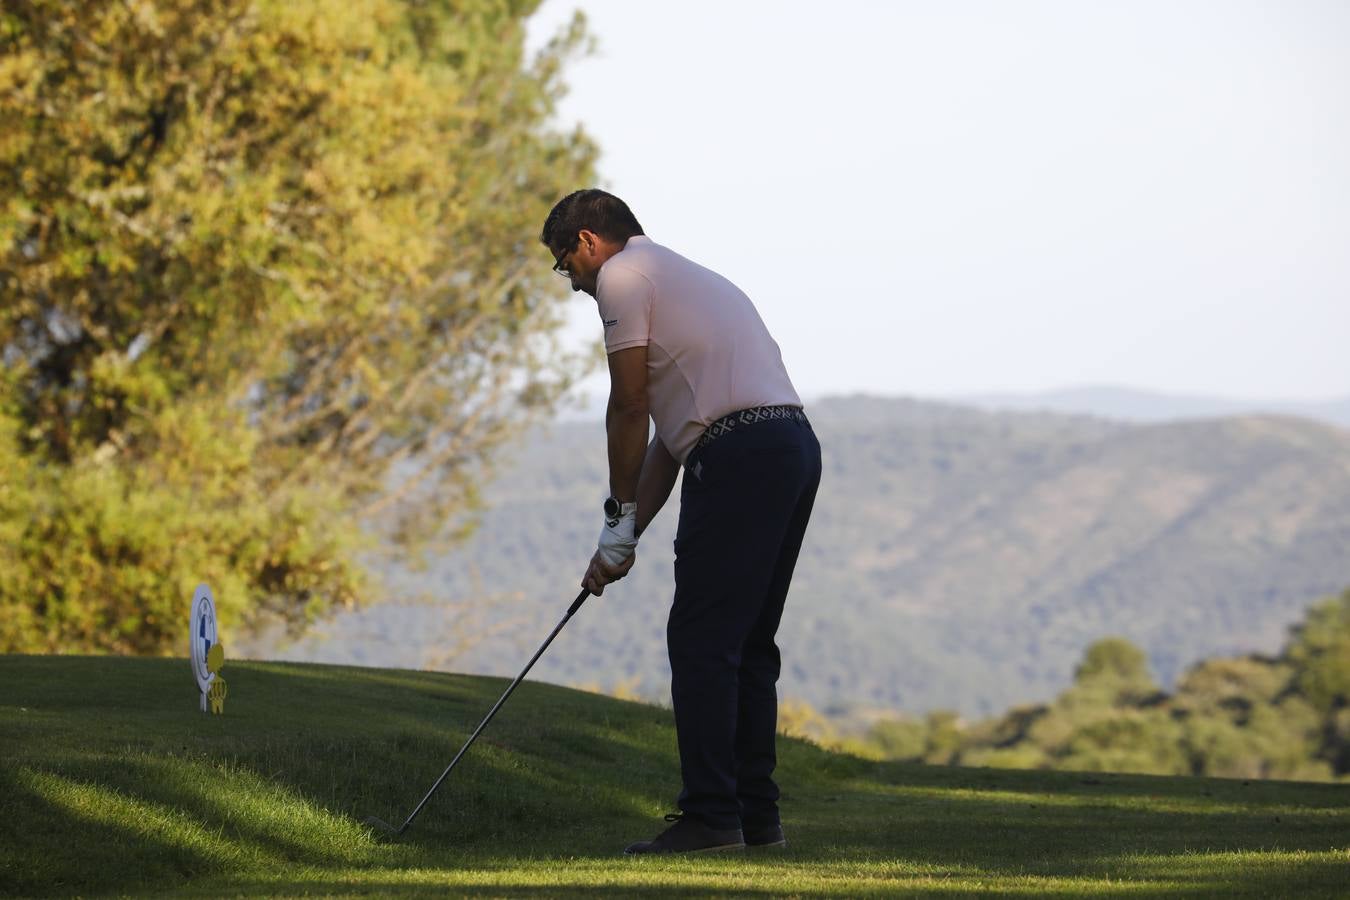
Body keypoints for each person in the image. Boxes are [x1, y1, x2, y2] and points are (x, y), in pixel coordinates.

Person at [540, 189, 822, 855]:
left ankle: (711, 817)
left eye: (564, 266)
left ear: (586, 241)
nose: (573, 284)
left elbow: (630, 406)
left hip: (738, 455)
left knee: (701, 641)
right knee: (747, 642)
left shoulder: (622, 276)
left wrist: (615, 510)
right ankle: (756, 818)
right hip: (789, 447)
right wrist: (624, 538)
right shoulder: (683, 277)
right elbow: (671, 439)